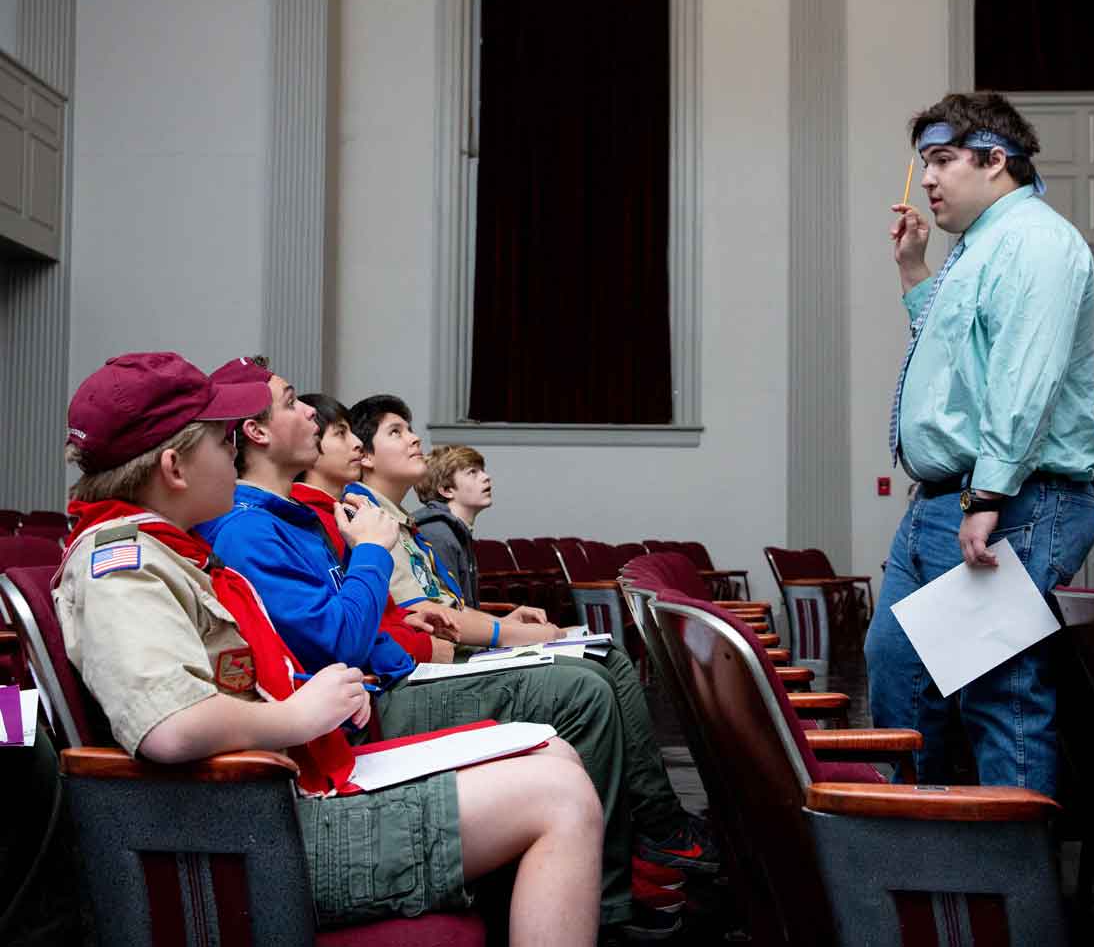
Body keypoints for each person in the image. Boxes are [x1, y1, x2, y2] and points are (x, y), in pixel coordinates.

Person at [52, 352, 603, 943]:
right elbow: (169, 724)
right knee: (561, 798)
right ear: (174, 469)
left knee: (555, 757)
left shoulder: (170, 550)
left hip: (275, 804)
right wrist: (300, 712)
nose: (232, 454)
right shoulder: (122, 564)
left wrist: (316, 694)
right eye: (220, 442)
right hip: (251, 842)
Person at [198, 358, 667, 935]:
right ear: (257, 432)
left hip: (372, 690)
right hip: (357, 714)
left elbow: (374, 624)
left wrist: (403, 642)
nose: (309, 414)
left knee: (583, 696)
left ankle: (579, 890)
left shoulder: (291, 519)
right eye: (293, 401)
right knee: (581, 694)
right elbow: (340, 640)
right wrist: (373, 555)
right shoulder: (251, 528)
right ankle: (607, 906)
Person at [347, 395, 718, 877]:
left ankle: (647, 832)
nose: (415, 438)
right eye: (396, 432)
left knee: (603, 660)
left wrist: (503, 622)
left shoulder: (409, 525)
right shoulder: (379, 523)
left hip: (442, 654)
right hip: (422, 672)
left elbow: (443, 610)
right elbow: (427, 617)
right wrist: (510, 633)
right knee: (592, 679)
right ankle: (640, 845)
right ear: (366, 454)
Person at [864, 92, 1094, 797]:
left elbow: (1023, 381)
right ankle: (928, 857)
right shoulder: (980, 247)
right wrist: (915, 272)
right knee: (900, 675)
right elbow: (958, 366)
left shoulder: (1035, 241)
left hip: (1014, 501)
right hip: (945, 503)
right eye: (925, 163)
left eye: (941, 160)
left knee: (1001, 693)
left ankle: (1011, 891)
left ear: (996, 161)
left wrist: (987, 494)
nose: (928, 178)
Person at [293, 392, 437, 666]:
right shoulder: (309, 518)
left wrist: (405, 622)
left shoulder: (344, 511)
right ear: (310, 443)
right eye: (340, 434)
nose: (358, 444)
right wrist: (421, 646)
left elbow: (374, 608)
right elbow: (340, 631)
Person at [412, 444, 491, 607]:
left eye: (482, 470)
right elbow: (449, 612)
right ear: (447, 490)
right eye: (472, 472)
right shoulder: (437, 535)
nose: (486, 477)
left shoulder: (455, 531)